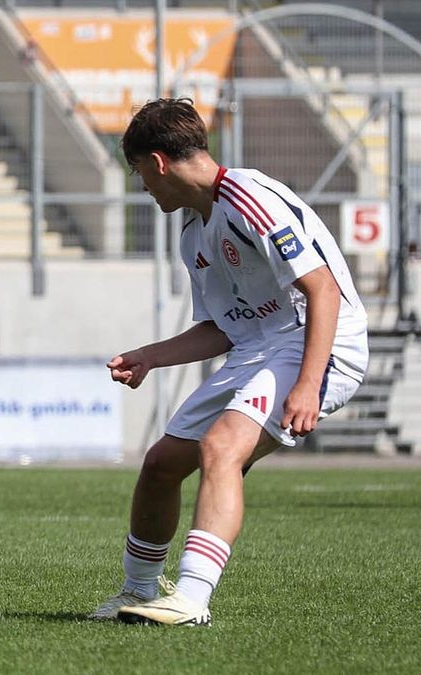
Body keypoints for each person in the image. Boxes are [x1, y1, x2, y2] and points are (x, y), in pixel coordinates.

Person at [90, 98, 368, 626]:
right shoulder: (194, 231)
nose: (141, 186)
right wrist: (152, 356)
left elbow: (323, 291)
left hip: (321, 342)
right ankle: (141, 591)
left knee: (221, 448)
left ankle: (192, 600)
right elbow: (224, 327)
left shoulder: (247, 197)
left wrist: (308, 385)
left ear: (158, 162)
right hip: (260, 348)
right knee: (160, 464)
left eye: (138, 172)